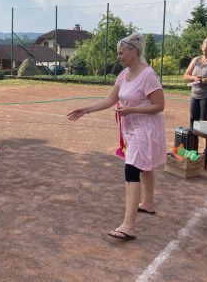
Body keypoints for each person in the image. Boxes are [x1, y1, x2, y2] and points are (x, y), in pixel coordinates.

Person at [67, 32, 166, 241]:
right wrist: (86, 109)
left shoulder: (148, 75)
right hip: (131, 127)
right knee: (144, 166)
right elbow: (110, 99)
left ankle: (128, 226)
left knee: (132, 170)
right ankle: (148, 203)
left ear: (134, 51)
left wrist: (132, 110)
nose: (118, 57)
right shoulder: (124, 74)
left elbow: (160, 105)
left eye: (121, 53)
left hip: (145, 129)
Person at [183, 37, 207, 156]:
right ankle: (193, 148)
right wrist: (194, 78)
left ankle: (206, 149)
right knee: (193, 121)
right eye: (206, 50)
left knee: (204, 122)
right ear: (202, 48)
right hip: (195, 94)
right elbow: (186, 75)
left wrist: (204, 80)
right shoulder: (196, 59)